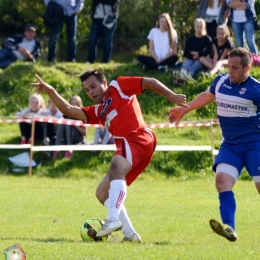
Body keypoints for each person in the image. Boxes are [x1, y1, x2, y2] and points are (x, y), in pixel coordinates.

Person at [31, 69, 187, 242]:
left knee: (115, 167)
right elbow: (68, 109)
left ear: (104, 83)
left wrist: (172, 96)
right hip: (131, 147)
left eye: (93, 86)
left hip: (139, 138)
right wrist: (51, 91)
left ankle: (112, 219)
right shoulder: (99, 111)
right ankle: (130, 235)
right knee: (102, 192)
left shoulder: (118, 85)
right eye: (87, 90)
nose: (90, 92)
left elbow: (148, 81)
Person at [169, 47, 260, 242]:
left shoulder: (256, 90)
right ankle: (229, 228)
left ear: (248, 67)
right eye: (229, 67)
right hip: (230, 146)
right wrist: (185, 110)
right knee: (222, 182)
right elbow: (208, 96)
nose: (231, 71)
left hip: (255, 145)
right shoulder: (220, 81)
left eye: (235, 68)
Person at [174, 18, 212, 85]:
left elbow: (207, 52)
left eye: (201, 27)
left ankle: (186, 80)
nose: (199, 29)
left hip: (201, 60)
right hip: (191, 59)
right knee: (185, 66)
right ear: (195, 27)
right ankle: (180, 79)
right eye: (198, 27)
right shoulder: (190, 39)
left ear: (204, 27)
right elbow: (186, 53)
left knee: (193, 68)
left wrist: (195, 53)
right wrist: (199, 54)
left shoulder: (207, 39)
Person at [52, 95, 86, 160]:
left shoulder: (82, 115)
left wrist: (74, 125)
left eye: (76, 104)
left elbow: (84, 133)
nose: (74, 105)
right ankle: (56, 148)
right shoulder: (66, 114)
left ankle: (69, 149)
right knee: (63, 123)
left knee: (68, 124)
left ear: (79, 105)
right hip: (66, 137)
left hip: (78, 139)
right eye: (72, 103)